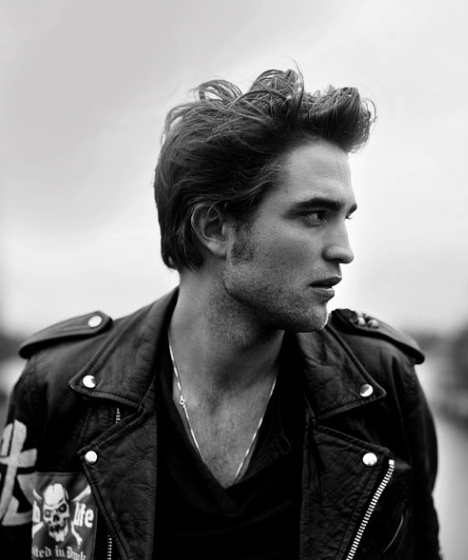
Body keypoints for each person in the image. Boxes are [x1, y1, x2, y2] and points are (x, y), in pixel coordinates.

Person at [0, 68, 442, 559]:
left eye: (346, 217)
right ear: (215, 228)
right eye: (314, 215)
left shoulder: (381, 383)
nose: (344, 250)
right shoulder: (58, 390)